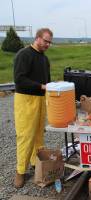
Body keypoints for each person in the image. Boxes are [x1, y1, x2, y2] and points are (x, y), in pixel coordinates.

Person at [13, 28, 53, 188]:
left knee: (38, 134)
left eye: (50, 42)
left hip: (41, 99)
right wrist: (41, 86)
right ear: (37, 38)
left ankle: (36, 164)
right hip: (25, 100)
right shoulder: (24, 54)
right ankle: (20, 172)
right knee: (25, 136)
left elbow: (47, 83)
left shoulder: (45, 59)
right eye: (45, 41)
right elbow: (19, 80)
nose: (48, 44)